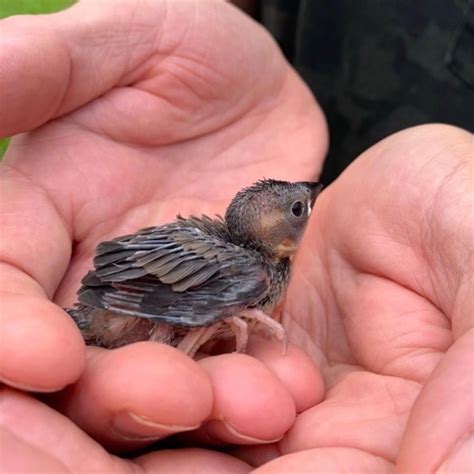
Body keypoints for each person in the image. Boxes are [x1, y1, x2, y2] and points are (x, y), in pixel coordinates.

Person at [0, 1, 472, 472]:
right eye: (298, 209)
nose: (310, 197)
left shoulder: (251, 259)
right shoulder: (253, 271)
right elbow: (159, 299)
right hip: (117, 312)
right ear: (281, 240)